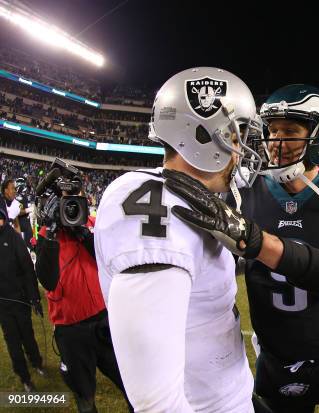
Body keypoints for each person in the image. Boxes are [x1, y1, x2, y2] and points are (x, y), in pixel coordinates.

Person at [163, 84, 319, 413]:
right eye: (272, 131)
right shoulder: (241, 193)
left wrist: (257, 242)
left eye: (291, 131)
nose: (276, 142)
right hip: (275, 358)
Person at [95, 67, 259, 412]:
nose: (241, 150)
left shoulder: (188, 199)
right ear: (205, 137)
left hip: (229, 393)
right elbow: (157, 403)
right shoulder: (156, 205)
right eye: (236, 136)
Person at [35, 166, 132, 413]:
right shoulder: (47, 235)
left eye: (75, 199)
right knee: (85, 398)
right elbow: (47, 280)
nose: (71, 207)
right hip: (71, 330)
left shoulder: (91, 225)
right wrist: (51, 229)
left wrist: (83, 234)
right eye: (65, 202)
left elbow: (108, 259)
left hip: (103, 319)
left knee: (131, 384)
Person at [0, 207, 44, 392]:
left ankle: (36, 362)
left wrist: (34, 297)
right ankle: (24, 377)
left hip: (20, 299)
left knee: (27, 334)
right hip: (2, 304)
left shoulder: (13, 237)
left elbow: (27, 268)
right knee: (12, 341)